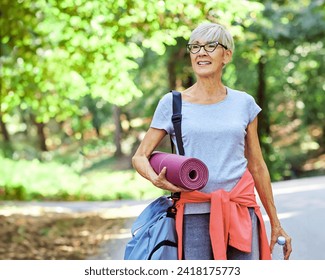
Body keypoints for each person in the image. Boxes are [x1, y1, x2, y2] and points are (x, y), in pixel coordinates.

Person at [131, 22, 292, 260]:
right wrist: (155, 179)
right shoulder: (172, 103)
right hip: (192, 214)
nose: (201, 52)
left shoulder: (244, 104)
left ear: (226, 55)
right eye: (195, 47)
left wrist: (275, 222)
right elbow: (140, 156)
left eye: (210, 45)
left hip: (240, 211)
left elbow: (257, 165)